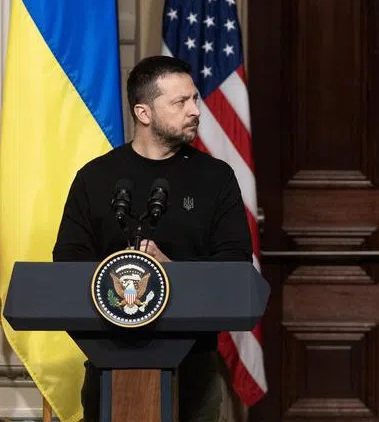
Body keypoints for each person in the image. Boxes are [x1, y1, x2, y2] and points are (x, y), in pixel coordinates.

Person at [53, 55, 252, 422]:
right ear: (144, 113)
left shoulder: (216, 178)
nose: (195, 110)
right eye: (180, 102)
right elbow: (67, 265)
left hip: (194, 363)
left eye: (194, 99)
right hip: (109, 359)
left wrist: (172, 273)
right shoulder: (95, 179)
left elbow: (236, 268)